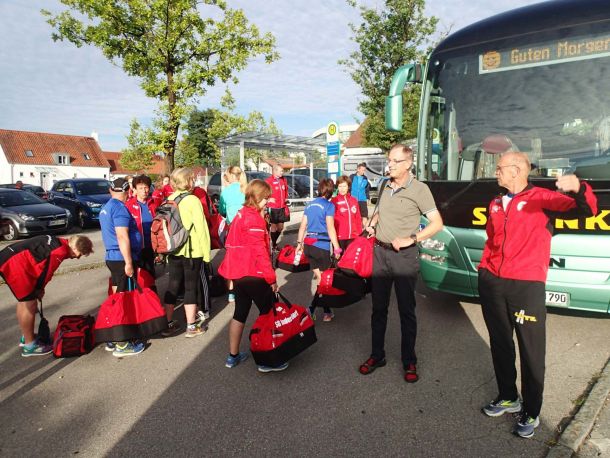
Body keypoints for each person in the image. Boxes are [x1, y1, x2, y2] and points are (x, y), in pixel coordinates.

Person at [478, 151, 597, 439]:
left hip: (526, 285)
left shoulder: (542, 198)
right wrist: (485, 270)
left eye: (500, 168)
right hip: (492, 282)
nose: (496, 172)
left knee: (531, 351)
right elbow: (492, 239)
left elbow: (587, 210)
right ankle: (508, 397)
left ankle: (531, 411)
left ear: (517, 170)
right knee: (500, 344)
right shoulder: (496, 202)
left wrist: (580, 187)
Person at [359, 144, 443, 383]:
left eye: (395, 161)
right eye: (389, 160)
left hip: (404, 257)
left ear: (408, 164)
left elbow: (437, 223)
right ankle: (377, 355)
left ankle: (409, 361)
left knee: (406, 310)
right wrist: (372, 224)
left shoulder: (420, 189)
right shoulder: (385, 184)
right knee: (378, 309)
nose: (390, 165)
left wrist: (412, 238)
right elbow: (380, 212)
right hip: (380, 254)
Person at [218, 179, 287, 373]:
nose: (268, 201)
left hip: (238, 273)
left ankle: (233, 356)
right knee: (269, 314)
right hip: (253, 272)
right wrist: (271, 278)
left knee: (240, 312)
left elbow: (230, 243)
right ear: (257, 197)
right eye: (266, 198)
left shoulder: (240, 214)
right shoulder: (254, 219)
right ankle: (268, 360)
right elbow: (260, 253)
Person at [0, 234, 93, 356]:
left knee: (24, 301)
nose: (78, 258)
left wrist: (37, 288)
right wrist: (39, 289)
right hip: (14, 263)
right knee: (29, 303)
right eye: (80, 254)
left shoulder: (57, 241)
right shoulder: (60, 250)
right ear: (75, 248)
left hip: (9, 257)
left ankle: (27, 336)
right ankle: (30, 346)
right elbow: (46, 272)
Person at [162, 167, 211, 338]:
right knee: (191, 287)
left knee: (173, 285)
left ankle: (168, 323)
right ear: (187, 180)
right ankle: (191, 326)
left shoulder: (168, 199)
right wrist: (206, 255)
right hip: (192, 250)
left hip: (173, 250)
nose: (194, 181)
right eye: (192, 178)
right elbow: (202, 229)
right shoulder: (192, 200)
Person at [99, 177, 144, 357]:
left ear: (110, 191)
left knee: (117, 297)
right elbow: (122, 236)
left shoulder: (106, 207)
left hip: (112, 257)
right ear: (127, 191)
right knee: (123, 299)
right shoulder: (119, 209)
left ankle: (113, 336)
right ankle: (122, 343)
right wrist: (129, 262)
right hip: (121, 258)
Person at [295, 178, 342, 322]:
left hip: (308, 246)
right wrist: (337, 248)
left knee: (321, 280)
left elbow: (302, 226)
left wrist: (299, 243)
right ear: (331, 191)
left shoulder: (310, 204)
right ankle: (312, 309)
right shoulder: (329, 205)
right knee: (325, 281)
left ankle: (326, 311)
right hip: (321, 246)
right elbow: (330, 228)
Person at [219, 166, 247, 303]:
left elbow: (222, 211)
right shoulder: (246, 189)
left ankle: (232, 292)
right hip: (247, 229)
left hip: (233, 230)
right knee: (246, 259)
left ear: (230, 175)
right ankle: (246, 288)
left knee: (231, 260)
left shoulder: (226, 192)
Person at [126, 175, 158, 288]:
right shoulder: (129, 205)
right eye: (140, 188)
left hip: (150, 247)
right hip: (136, 248)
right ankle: (140, 297)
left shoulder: (153, 204)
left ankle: (151, 297)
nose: (144, 191)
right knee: (138, 278)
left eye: (146, 187)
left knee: (150, 276)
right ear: (134, 189)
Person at [331, 175, 363, 251]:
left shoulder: (354, 200)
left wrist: (359, 234)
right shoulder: (334, 201)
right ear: (337, 187)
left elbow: (358, 218)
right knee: (339, 258)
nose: (342, 189)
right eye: (340, 186)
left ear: (348, 187)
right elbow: (331, 221)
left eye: (344, 186)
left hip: (353, 236)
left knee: (351, 258)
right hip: (339, 237)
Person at [265, 164, 290, 251]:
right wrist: (268, 199)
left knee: (280, 227)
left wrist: (286, 198)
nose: (282, 172)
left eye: (282, 171)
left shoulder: (284, 179)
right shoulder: (268, 181)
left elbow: (286, 190)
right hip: (273, 208)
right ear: (275, 171)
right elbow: (263, 192)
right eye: (281, 171)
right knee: (274, 227)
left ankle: (273, 243)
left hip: (282, 207)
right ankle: (274, 245)